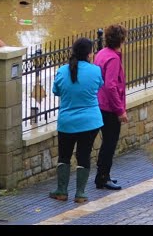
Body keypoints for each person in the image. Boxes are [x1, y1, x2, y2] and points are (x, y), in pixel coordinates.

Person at [49, 37, 103, 204]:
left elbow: (56, 91)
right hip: (90, 122)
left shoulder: (62, 71)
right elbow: (98, 86)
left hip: (67, 122)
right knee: (83, 155)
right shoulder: (95, 71)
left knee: (64, 156)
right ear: (88, 54)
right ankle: (80, 194)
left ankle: (62, 191)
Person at [93, 24, 130, 190]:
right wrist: (120, 110)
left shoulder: (101, 53)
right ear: (121, 40)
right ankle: (102, 178)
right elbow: (111, 86)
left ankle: (103, 175)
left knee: (106, 142)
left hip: (99, 103)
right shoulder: (114, 58)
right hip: (109, 108)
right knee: (109, 143)